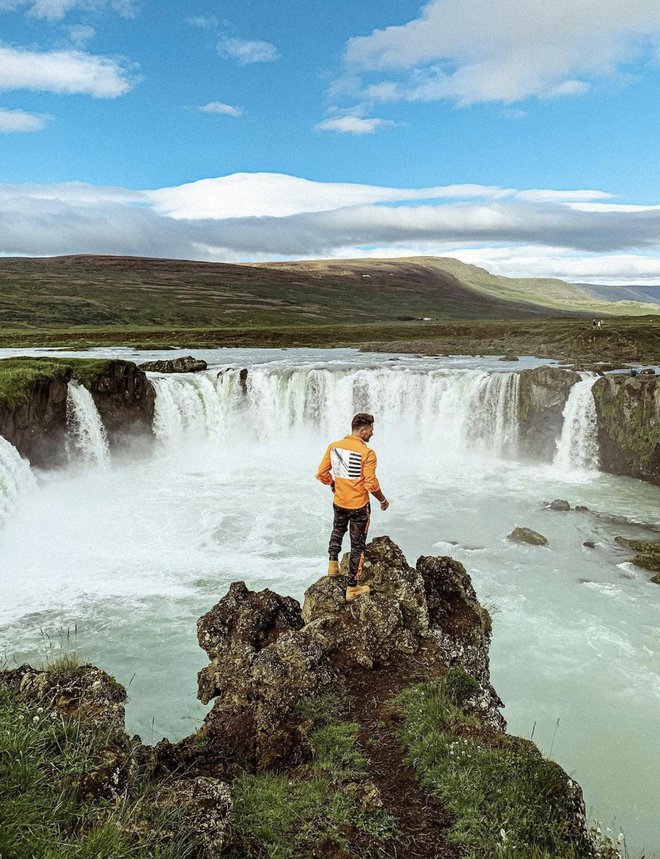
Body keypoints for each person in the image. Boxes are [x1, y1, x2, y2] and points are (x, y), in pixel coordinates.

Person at [316, 413, 389, 602]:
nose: (372, 433)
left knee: (337, 530)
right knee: (358, 546)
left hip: (339, 502)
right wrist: (382, 500)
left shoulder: (334, 447)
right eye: (371, 430)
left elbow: (321, 472)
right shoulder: (367, 453)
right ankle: (352, 587)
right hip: (358, 506)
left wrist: (332, 483)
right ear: (363, 430)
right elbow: (371, 484)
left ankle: (333, 566)